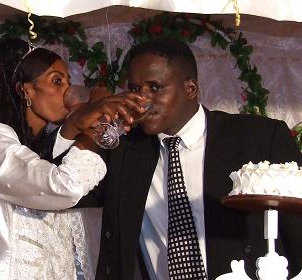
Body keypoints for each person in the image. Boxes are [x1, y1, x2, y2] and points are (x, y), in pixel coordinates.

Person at [0, 38, 143, 280]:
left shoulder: (47, 142)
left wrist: (85, 121)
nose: (67, 91)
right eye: (56, 81)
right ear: (26, 90)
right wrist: (92, 127)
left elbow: (58, 157)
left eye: (68, 82)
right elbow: (64, 185)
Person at [75, 37, 302, 279]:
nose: (141, 101)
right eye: (134, 89)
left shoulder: (259, 138)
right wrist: (77, 123)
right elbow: (62, 187)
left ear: (190, 89)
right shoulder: (123, 150)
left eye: (154, 88)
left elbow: (297, 228)